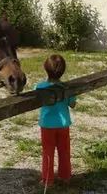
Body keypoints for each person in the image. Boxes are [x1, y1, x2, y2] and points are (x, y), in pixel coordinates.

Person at [34, 54, 76, 187]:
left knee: (48, 152)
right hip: (63, 124)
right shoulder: (66, 87)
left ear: (45, 69)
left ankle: (48, 180)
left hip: (47, 125)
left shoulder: (40, 87)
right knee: (64, 151)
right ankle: (65, 176)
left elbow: (37, 102)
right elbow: (73, 104)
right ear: (63, 70)